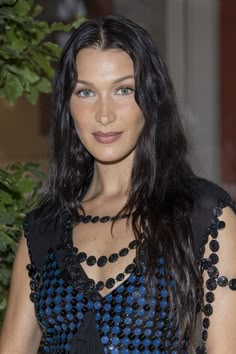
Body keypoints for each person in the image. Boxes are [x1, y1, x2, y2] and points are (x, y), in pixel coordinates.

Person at [0, 15, 236, 354]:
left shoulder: (203, 216)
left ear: (151, 100)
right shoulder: (42, 229)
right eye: (85, 92)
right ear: (68, 106)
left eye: (123, 90)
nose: (104, 114)